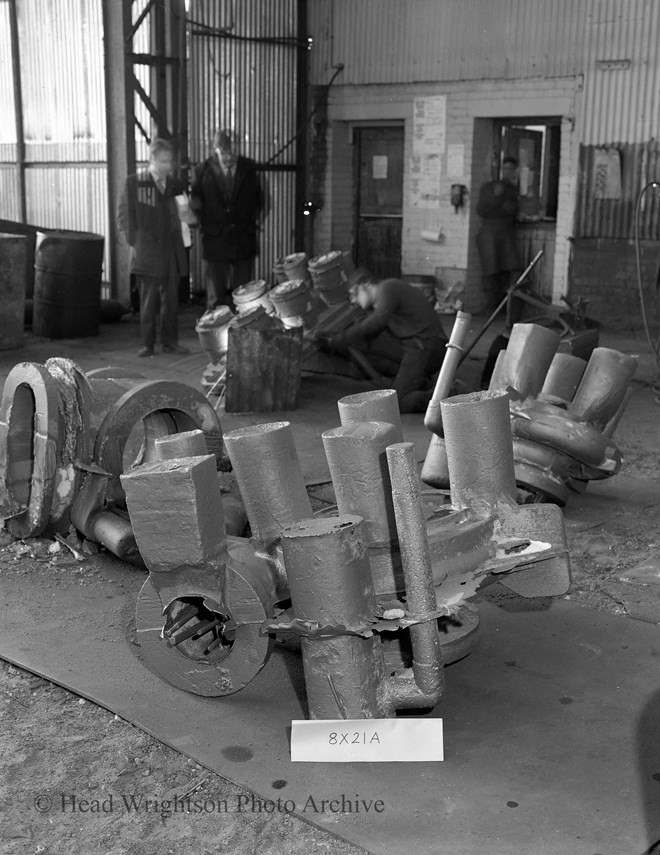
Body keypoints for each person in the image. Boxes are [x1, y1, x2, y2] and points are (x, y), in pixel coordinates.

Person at [318, 271, 448, 414]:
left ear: (365, 285)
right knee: (365, 344)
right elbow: (370, 329)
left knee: (397, 404)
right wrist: (335, 338)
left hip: (426, 348)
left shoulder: (387, 287)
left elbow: (377, 322)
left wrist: (340, 339)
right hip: (415, 346)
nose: (354, 301)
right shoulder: (383, 299)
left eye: (354, 295)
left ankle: (445, 395)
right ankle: (417, 381)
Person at [117, 138, 190, 357]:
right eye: (164, 161)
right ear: (152, 159)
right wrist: (136, 243)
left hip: (172, 251)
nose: (168, 166)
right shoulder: (134, 183)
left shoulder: (176, 185)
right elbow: (124, 216)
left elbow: (185, 215)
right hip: (146, 250)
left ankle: (170, 342)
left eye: (170, 162)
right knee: (148, 300)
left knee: (171, 299)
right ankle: (147, 344)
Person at [190, 129, 267, 310]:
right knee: (215, 299)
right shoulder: (201, 171)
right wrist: (210, 225)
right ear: (215, 149)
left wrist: (250, 223)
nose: (229, 156)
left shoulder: (250, 169)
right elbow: (196, 204)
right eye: (224, 152)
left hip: (243, 240)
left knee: (245, 298)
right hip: (214, 241)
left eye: (233, 151)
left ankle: (242, 335)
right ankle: (216, 336)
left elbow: (262, 201)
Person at [476, 156, 522, 311]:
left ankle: (506, 309)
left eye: (511, 169)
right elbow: (481, 210)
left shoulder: (513, 189)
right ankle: (491, 309)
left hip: (506, 233)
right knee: (491, 271)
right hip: (489, 234)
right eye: (506, 169)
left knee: (511, 270)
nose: (508, 172)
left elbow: (513, 211)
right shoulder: (489, 187)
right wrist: (496, 198)